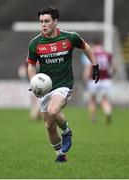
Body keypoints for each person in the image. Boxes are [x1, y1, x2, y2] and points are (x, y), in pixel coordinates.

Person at [26, 6, 99, 162]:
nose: (43, 25)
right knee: (49, 126)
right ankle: (60, 155)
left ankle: (66, 131)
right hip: (45, 88)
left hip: (64, 84)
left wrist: (95, 65)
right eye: (41, 22)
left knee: (53, 111)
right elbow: (31, 65)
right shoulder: (35, 43)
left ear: (55, 22)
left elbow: (86, 47)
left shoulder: (70, 37)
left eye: (46, 21)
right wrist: (33, 83)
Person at [82, 39, 115, 124]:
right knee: (104, 100)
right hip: (106, 80)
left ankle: (93, 117)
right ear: (101, 45)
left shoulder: (92, 53)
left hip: (93, 80)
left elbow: (89, 67)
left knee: (92, 100)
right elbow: (114, 67)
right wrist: (110, 75)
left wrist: (85, 78)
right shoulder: (108, 54)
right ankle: (108, 112)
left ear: (94, 45)